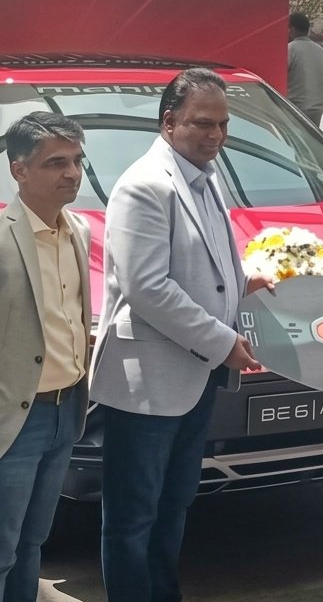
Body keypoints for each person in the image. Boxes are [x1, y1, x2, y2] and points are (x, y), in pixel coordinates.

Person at [91, 68, 274, 602]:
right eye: (202, 123)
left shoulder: (206, 176)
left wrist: (242, 282)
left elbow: (206, 264)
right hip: (147, 385)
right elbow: (148, 288)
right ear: (169, 122)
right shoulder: (145, 185)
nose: (215, 135)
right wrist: (222, 343)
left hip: (193, 378)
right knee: (133, 515)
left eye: (222, 124)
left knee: (174, 505)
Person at [0, 113, 91, 602]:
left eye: (77, 160)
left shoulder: (79, 231)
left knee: (33, 543)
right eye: (56, 163)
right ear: (19, 170)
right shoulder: (3, 238)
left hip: (66, 411)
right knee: (2, 549)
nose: (72, 173)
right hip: (16, 420)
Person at [287, 11, 323, 126]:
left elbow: (280, 76)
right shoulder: (321, 51)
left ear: (291, 29)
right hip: (317, 109)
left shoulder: (290, 49)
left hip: (296, 109)